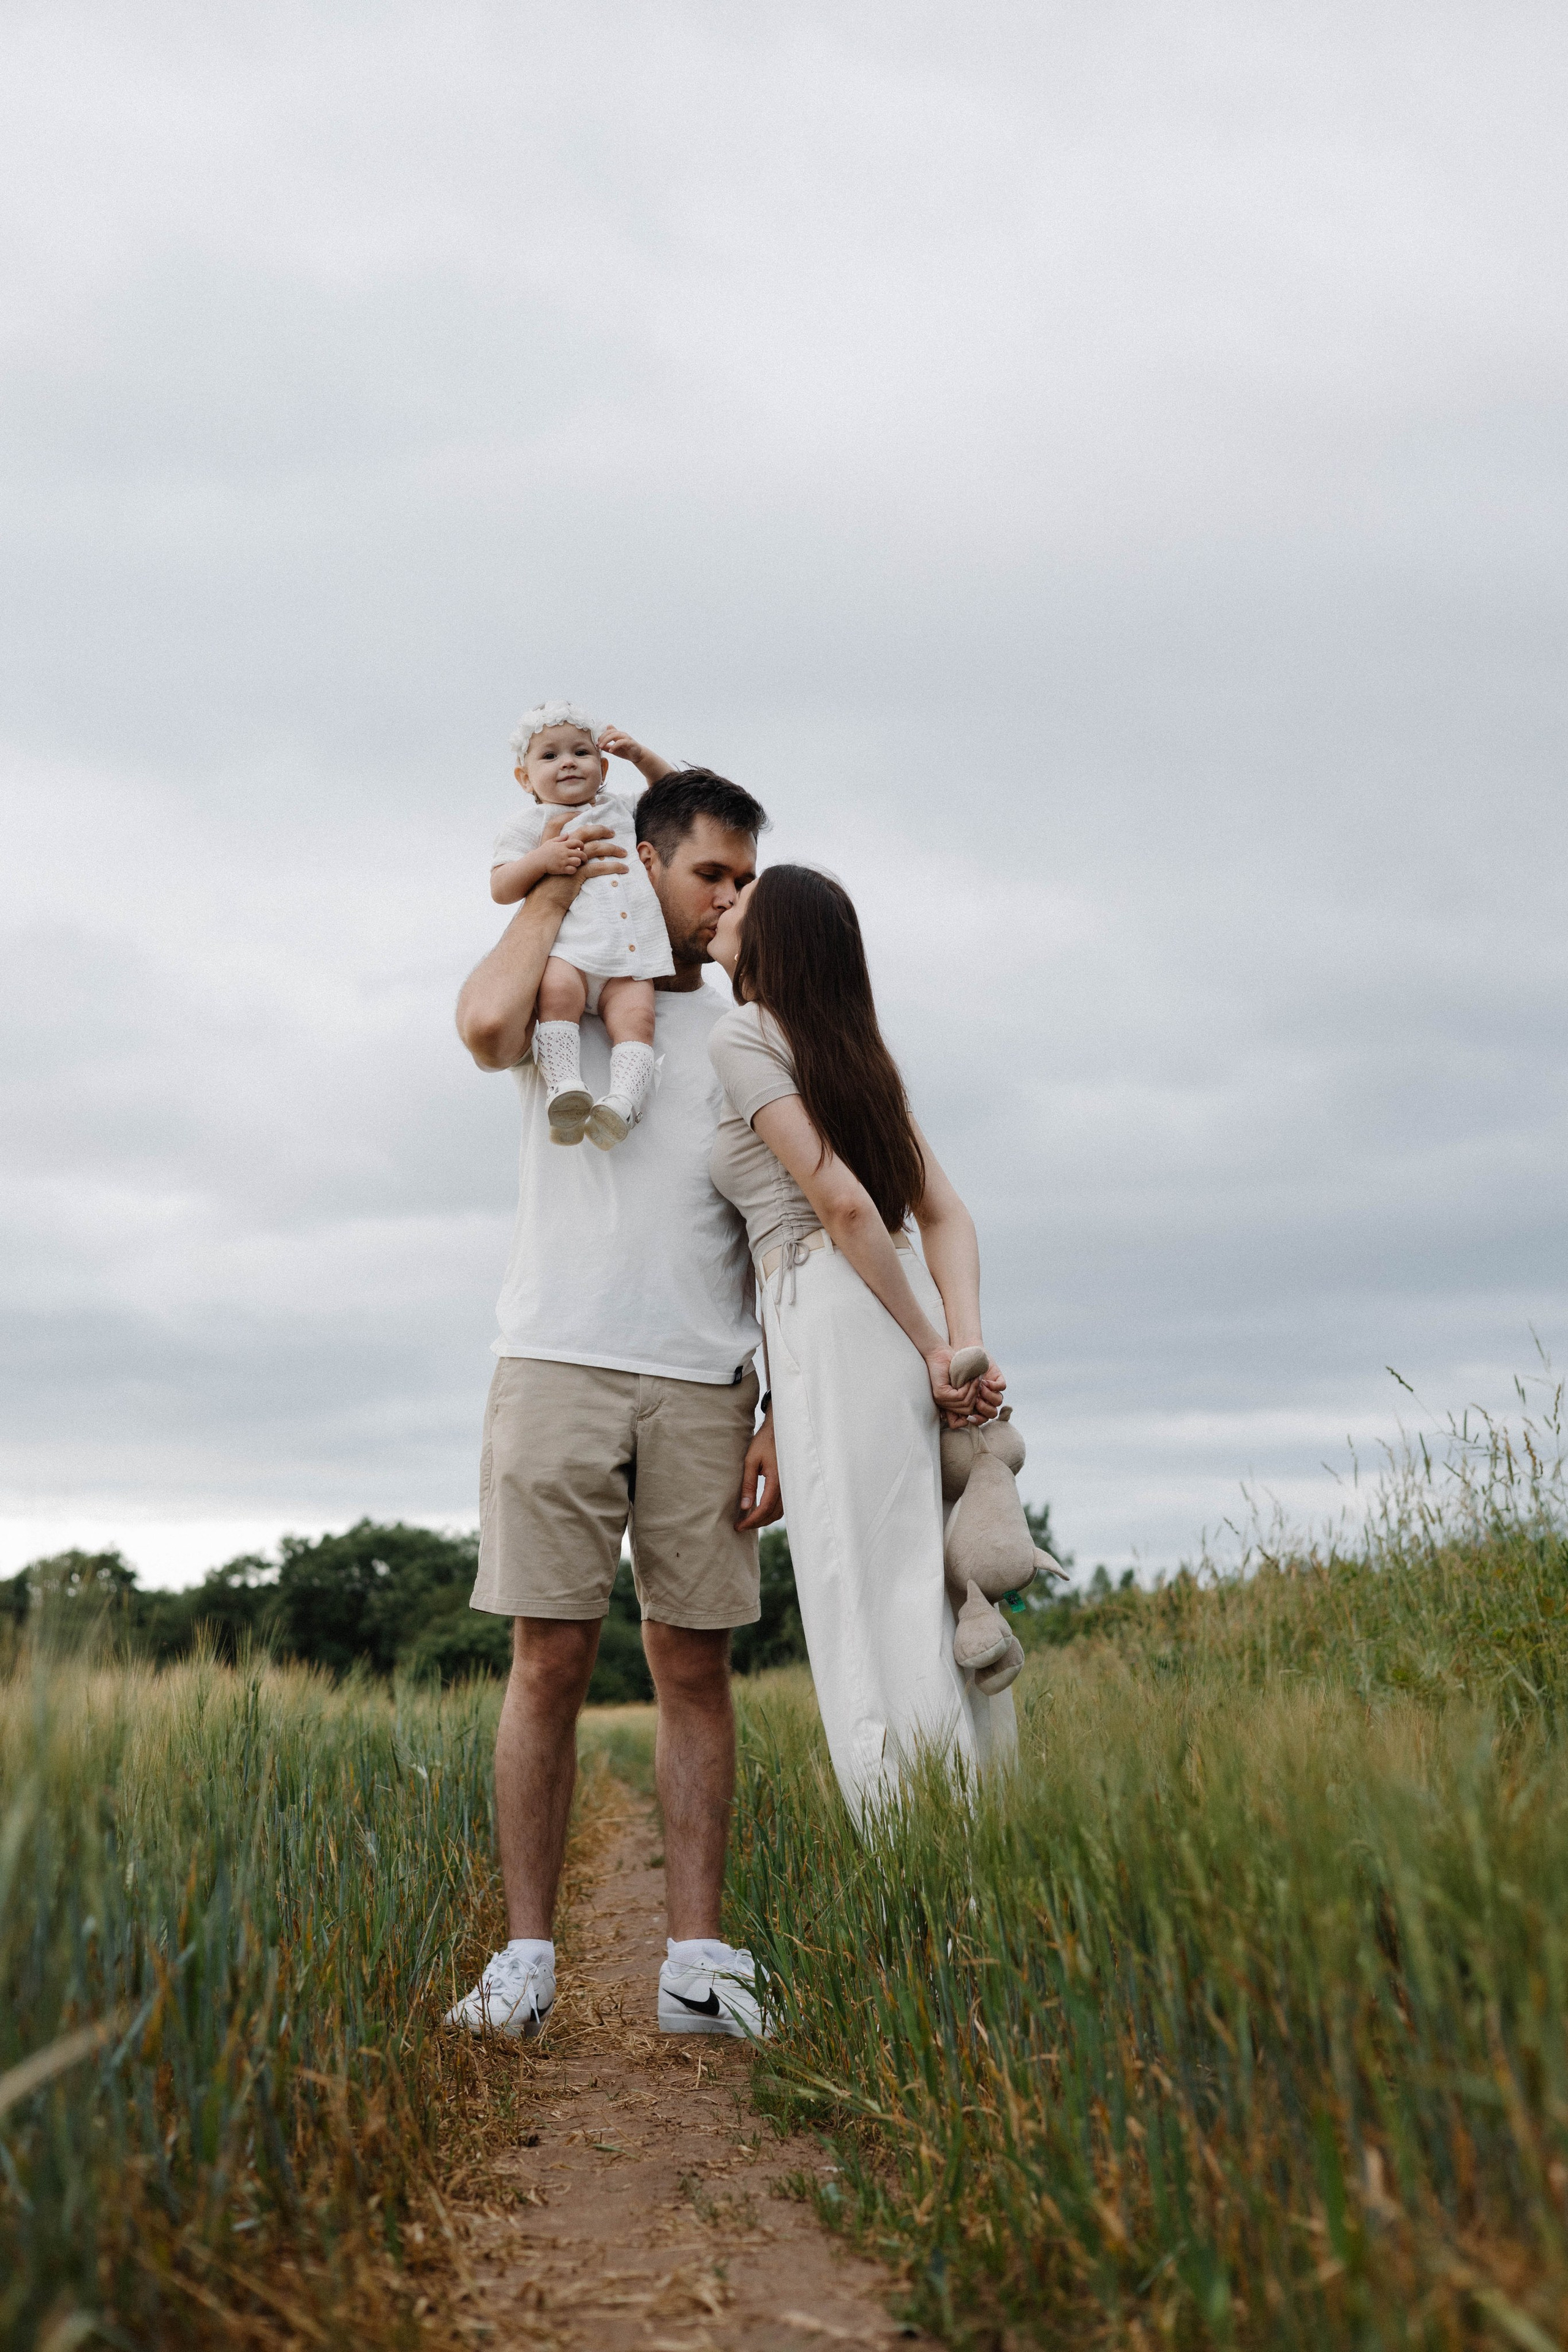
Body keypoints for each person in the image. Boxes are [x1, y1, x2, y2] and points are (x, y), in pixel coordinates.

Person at [448, 756, 780, 2041]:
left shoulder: (750, 1028)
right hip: (555, 1360)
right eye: (709, 873)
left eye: (746, 879)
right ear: (647, 864)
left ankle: (696, 1962)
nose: (728, 899)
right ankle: (525, 1960)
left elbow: (782, 1238)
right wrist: (559, 883)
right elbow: (480, 1028)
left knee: (693, 1667)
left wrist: (779, 1416)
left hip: (703, 1379)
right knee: (548, 1660)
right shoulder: (557, 1000)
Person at [706, 864, 1017, 1821]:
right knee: (918, 1580)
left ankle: (920, 1861)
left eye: (741, 904)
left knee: (860, 1591)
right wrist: (959, 1346)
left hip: (837, 1321)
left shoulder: (744, 1035)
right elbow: (948, 1216)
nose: (721, 908)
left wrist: (936, 1350)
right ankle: (986, 1830)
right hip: (883, 1316)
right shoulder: (857, 1056)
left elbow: (840, 1203)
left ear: (775, 946)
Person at [489, 701, 674, 1149]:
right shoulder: (528, 824)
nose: (568, 762)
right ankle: (565, 1087)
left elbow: (674, 796)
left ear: (603, 766)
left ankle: (623, 1102)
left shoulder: (623, 810)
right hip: (569, 952)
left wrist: (641, 756)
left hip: (628, 956)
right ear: (525, 778)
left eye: (581, 752)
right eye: (549, 756)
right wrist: (541, 860)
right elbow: (501, 886)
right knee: (556, 995)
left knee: (639, 1018)